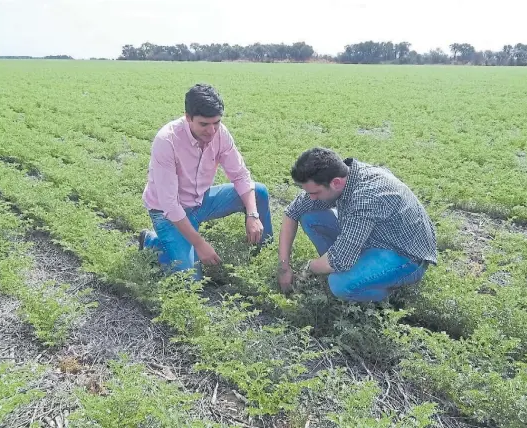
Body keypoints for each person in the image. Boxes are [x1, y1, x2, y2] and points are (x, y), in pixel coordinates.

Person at [139, 83, 273, 279]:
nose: (211, 131)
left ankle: (265, 252)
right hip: (168, 213)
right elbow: (170, 205)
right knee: (191, 279)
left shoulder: (220, 133)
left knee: (258, 192)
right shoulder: (167, 141)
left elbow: (240, 175)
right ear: (188, 117)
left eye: (216, 122)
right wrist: (200, 244)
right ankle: (152, 242)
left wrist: (253, 215)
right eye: (204, 124)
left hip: (201, 200)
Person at [277, 147, 437, 302]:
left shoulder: (365, 198)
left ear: (336, 183)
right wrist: (284, 267)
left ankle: (387, 296)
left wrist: (309, 267)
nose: (311, 198)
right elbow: (292, 212)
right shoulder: (345, 175)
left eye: (315, 193)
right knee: (309, 216)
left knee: (339, 284)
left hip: (404, 254)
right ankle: (339, 270)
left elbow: (339, 260)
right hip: (374, 237)